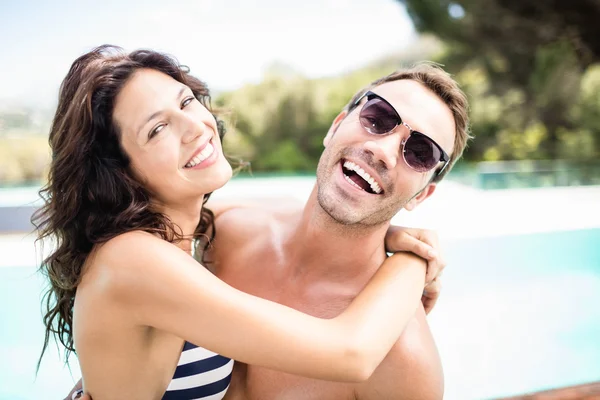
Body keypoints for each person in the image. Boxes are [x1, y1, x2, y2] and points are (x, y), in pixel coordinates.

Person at [34, 45, 448, 400]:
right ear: (118, 168)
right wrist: (413, 264)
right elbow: (351, 353)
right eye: (157, 129)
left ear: (423, 193)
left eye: (185, 102)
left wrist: (379, 230)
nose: (195, 127)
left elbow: (304, 214)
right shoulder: (133, 259)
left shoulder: (199, 231)